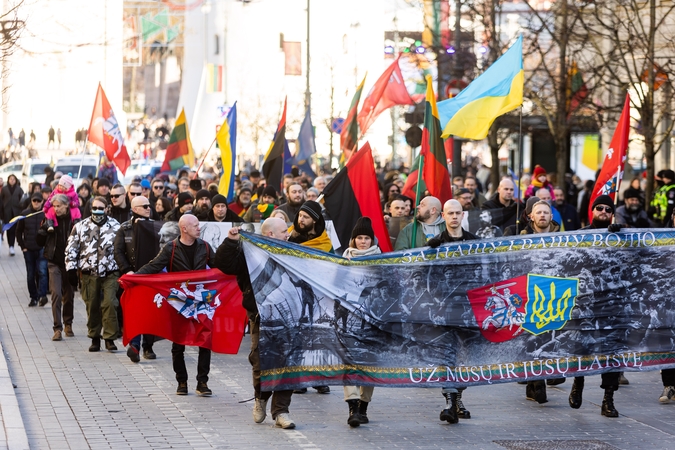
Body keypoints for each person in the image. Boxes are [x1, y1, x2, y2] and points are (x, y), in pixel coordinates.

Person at [215, 217, 296, 429]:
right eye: (284, 231)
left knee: (287, 364)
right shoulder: (250, 253)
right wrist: (231, 241)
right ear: (270, 234)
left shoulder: (292, 252)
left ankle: (281, 411)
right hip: (261, 317)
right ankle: (260, 396)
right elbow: (224, 265)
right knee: (261, 361)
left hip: (288, 319)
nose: (288, 234)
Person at [137, 215, 215, 397]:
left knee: (205, 340)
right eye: (195, 225)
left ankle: (202, 382)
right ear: (184, 229)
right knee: (178, 343)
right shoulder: (170, 248)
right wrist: (135, 276)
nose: (199, 228)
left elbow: (221, 267)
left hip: (201, 300)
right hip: (178, 301)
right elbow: (154, 266)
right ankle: (182, 381)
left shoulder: (205, 247)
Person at [426, 199, 478, 424]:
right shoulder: (434, 244)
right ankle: (449, 402)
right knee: (447, 356)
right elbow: (428, 279)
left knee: (464, 358)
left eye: (458, 213)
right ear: (443, 216)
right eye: (450, 213)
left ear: (463, 215)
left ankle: (457, 398)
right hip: (445, 310)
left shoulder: (475, 243)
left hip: (468, 310)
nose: (454, 217)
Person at [568, 194, 621, 417]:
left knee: (612, 350)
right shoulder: (580, 236)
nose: (603, 212)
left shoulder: (620, 237)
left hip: (611, 304)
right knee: (582, 346)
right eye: (599, 208)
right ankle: (577, 382)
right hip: (586, 303)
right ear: (592, 211)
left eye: (608, 210)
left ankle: (608, 398)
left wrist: (622, 239)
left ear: (612, 214)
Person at [66, 196, 121, 352]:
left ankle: (110, 338)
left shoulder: (115, 226)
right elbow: (71, 249)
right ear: (90, 209)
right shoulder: (80, 227)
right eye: (95, 208)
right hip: (89, 273)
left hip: (111, 271)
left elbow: (121, 248)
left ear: (107, 209)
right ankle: (95, 337)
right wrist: (71, 268)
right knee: (92, 305)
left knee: (110, 303)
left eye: (101, 208)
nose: (98, 211)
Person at [341, 217, 381, 427]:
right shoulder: (343, 260)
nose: (363, 242)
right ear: (353, 239)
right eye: (359, 238)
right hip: (349, 320)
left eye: (366, 238)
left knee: (369, 363)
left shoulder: (382, 261)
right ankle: (353, 407)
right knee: (350, 362)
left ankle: (364, 405)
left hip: (373, 321)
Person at [114, 196, 157, 362]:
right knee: (135, 311)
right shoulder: (125, 228)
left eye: (149, 205)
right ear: (135, 208)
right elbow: (118, 251)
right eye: (145, 206)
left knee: (151, 312)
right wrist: (127, 271)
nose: (149, 208)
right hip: (133, 276)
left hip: (152, 276)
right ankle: (135, 346)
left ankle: (148, 346)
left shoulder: (154, 225)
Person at [36, 194, 78, 341]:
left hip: (70, 262)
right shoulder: (49, 219)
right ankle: (57, 328)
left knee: (69, 295)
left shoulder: (75, 220)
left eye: (59, 206)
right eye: (54, 206)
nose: (56, 209)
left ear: (66, 205)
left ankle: (68, 323)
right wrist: (44, 229)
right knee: (56, 294)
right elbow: (39, 241)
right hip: (53, 261)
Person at [16, 193, 48, 307]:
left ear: (42, 202)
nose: (36, 203)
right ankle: (33, 297)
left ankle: (42, 296)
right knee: (30, 274)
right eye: (34, 201)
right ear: (31, 201)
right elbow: (18, 231)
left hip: (41, 248)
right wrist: (22, 246)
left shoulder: (46, 214)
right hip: (28, 248)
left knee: (42, 272)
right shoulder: (25, 214)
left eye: (38, 201)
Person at [1, 174, 24, 256]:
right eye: (10, 179)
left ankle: (12, 246)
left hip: (16, 212)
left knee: (14, 229)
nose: (12, 180)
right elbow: (1, 200)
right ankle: (10, 245)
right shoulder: (4, 189)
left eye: (13, 179)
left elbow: (22, 200)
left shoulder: (19, 189)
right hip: (6, 212)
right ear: (8, 180)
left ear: (16, 180)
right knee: (8, 229)